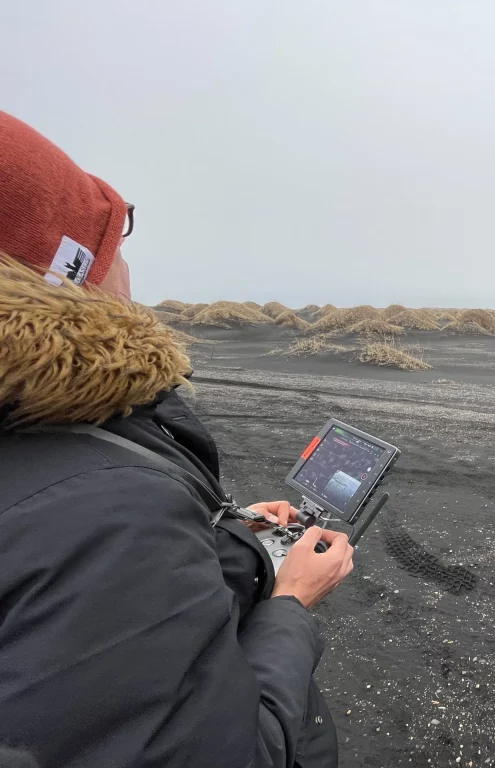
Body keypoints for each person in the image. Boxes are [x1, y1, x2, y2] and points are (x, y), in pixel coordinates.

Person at [0, 111, 354, 767]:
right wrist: (291, 604)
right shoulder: (109, 510)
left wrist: (231, 537)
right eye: (112, 237)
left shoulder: (47, 433)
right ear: (71, 275)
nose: (128, 264)